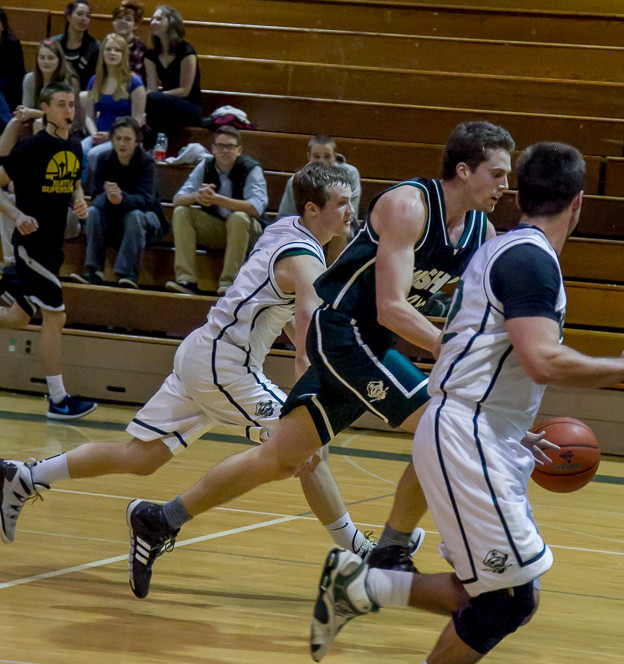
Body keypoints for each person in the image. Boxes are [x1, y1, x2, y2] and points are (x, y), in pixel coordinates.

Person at [307, 141, 624, 664]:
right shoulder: (530, 260)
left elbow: (482, 352)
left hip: (483, 432)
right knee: (511, 597)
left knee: (485, 588)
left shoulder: (504, 248)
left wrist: (513, 426)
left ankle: (365, 584)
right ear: (579, 203)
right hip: (467, 435)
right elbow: (541, 360)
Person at [107, 120, 514, 593]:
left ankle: (159, 520)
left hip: (373, 344)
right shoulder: (408, 206)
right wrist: (454, 347)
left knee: (281, 457)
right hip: (343, 334)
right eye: (497, 173)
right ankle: (392, 552)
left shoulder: (480, 230)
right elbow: (391, 306)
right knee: (442, 426)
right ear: (463, 171)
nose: (505, 185)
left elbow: (471, 305)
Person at [1, 162, 374, 599]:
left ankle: (26, 475)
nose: (350, 211)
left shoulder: (285, 229)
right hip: (225, 365)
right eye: (342, 203)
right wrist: (309, 391)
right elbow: (308, 332)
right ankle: (363, 552)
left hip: (205, 353)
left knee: (142, 457)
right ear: (312, 209)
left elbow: (285, 316)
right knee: (303, 445)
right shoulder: (305, 259)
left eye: (351, 201)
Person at [0, 82, 97, 421]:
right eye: (61, 104)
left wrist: (79, 201)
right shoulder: (30, 148)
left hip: (54, 247)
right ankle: (58, 400)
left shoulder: (74, 145)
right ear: (45, 108)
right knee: (55, 317)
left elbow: (74, 182)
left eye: (71, 104)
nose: (68, 110)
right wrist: (17, 215)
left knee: (17, 317)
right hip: (32, 248)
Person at [166, 125, 267, 296]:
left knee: (238, 217)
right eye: (220, 146)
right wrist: (198, 196)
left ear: (239, 150)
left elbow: (255, 208)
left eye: (230, 146)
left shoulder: (251, 168)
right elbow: (178, 200)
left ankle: (229, 283)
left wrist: (217, 199)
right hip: (220, 229)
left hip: (251, 233)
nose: (225, 150)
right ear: (213, 149)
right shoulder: (206, 165)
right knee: (181, 212)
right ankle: (186, 280)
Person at [72, 116, 167, 288]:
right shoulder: (103, 160)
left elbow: (146, 201)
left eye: (127, 139)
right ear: (112, 140)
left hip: (148, 221)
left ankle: (128, 275)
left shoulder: (147, 164)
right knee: (92, 212)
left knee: (134, 216)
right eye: (118, 138)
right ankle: (95, 271)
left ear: (137, 141)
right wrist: (109, 198)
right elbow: (96, 197)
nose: (122, 143)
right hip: (115, 221)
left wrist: (121, 198)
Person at [277, 134, 361, 264]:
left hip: (343, 226)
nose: (322, 161)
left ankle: (333, 275)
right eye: (316, 157)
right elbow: (285, 216)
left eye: (327, 156)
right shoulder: (297, 180)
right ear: (309, 157)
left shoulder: (350, 174)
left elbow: (349, 212)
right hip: (308, 226)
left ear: (335, 157)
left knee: (337, 226)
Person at [81, 33, 146, 188]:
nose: (112, 53)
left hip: (124, 138)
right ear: (102, 53)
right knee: (80, 149)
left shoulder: (134, 83)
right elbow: (89, 116)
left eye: (117, 50)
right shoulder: (94, 81)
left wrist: (111, 136)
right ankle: (79, 192)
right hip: (98, 134)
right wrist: (93, 133)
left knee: (94, 155)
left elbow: (136, 121)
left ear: (124, 55)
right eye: (108, 49)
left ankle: (99, 191)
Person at [0, 39, 82, 157]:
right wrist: (23, 113)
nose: (45, 62)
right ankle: (2, 162)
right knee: (15, 122)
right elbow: (27, 109)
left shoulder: (69, 82)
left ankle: (38, 163)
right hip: (35, 123)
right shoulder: (29, 79)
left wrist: (33, 113)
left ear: (59, 60)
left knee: (39, 123)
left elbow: (64, 117)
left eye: (50, 58)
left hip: (66, 128)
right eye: (42, 57)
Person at [143, 5, 201, 150]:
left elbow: (185, 90)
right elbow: (151, 88)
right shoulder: (151, 55)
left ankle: (152, 148)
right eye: (152, 19)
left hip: (189, 106)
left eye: (158, 19)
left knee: (154, 101)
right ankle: (158, 148)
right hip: (164, 105)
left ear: (171, 22)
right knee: (155, 106)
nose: (153, 22)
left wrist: (157, 96)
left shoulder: (186, 51)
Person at [51, 1, 99, 91]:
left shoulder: (96, 47)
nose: (84, 19)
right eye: (79, 14)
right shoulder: (54, 44)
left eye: (88, 16)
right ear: (68, 16)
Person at [0, 7, 24, 130]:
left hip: (10, 88)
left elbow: (17, 76)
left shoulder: (12, 44)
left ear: (3, 26)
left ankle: (8, 126)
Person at [111, 1, 147, 82]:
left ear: (136, 25)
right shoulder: (106, 45)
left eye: (128, 19)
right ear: (113, 22)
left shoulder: (141, 49)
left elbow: (140, 80)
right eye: (119, 18)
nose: (122, 22)